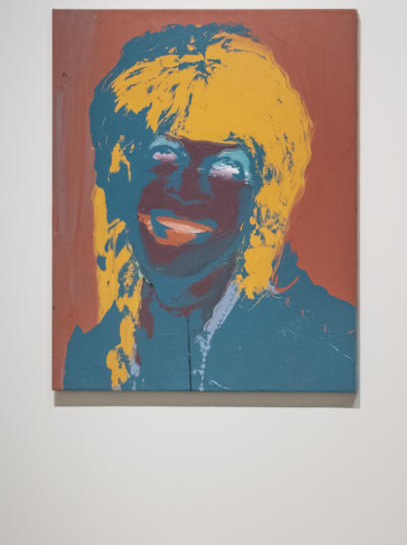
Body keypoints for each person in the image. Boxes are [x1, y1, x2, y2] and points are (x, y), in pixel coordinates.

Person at [63, 23, 355, 392]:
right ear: (122, 172)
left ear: (261, 201)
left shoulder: (330, 346)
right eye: (165, 154)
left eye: (227, 168)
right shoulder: (88, 357)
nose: (187, 191)